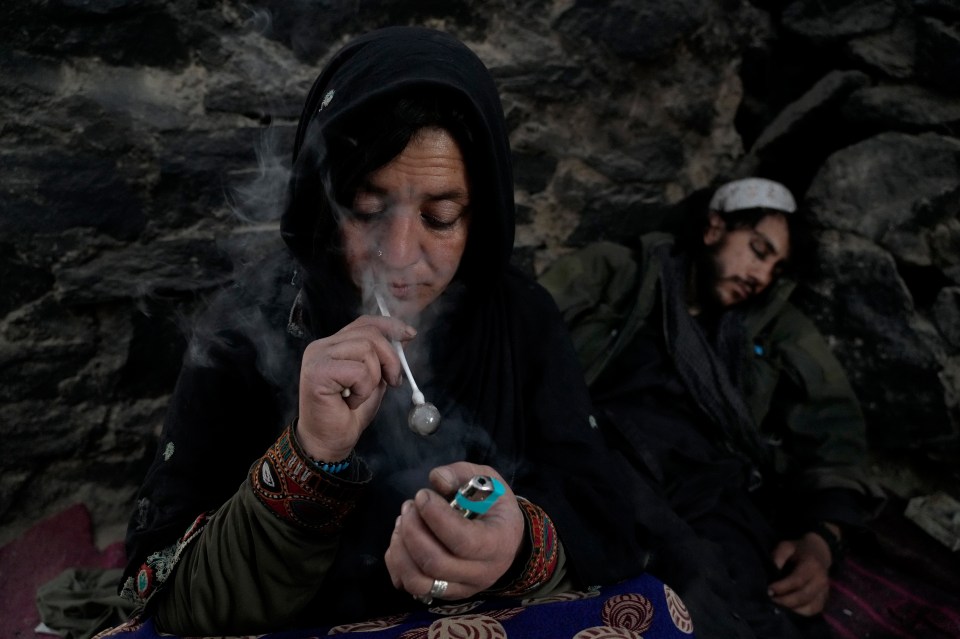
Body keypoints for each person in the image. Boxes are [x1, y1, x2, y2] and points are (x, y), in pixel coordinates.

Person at [115, 27, 692, 638]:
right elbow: (167, 602)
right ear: (324, 200)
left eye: (440, 217)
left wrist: (515, 545)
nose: (398, 254)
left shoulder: (520, 317)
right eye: (367, 209)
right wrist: (309, 456)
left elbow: (599, 513)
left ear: (483, 217)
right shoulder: (242, 331)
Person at [538, 177, 881, 639]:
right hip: (608, 451)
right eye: (759, 250)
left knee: (762, 606)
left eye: (775, 269)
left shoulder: (775, 330)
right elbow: (525, 335)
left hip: (712, 484)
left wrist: (822, 539)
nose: (761, 277)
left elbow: (834, 430)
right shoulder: (620, 273)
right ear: (714, 228)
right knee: (683, 576)